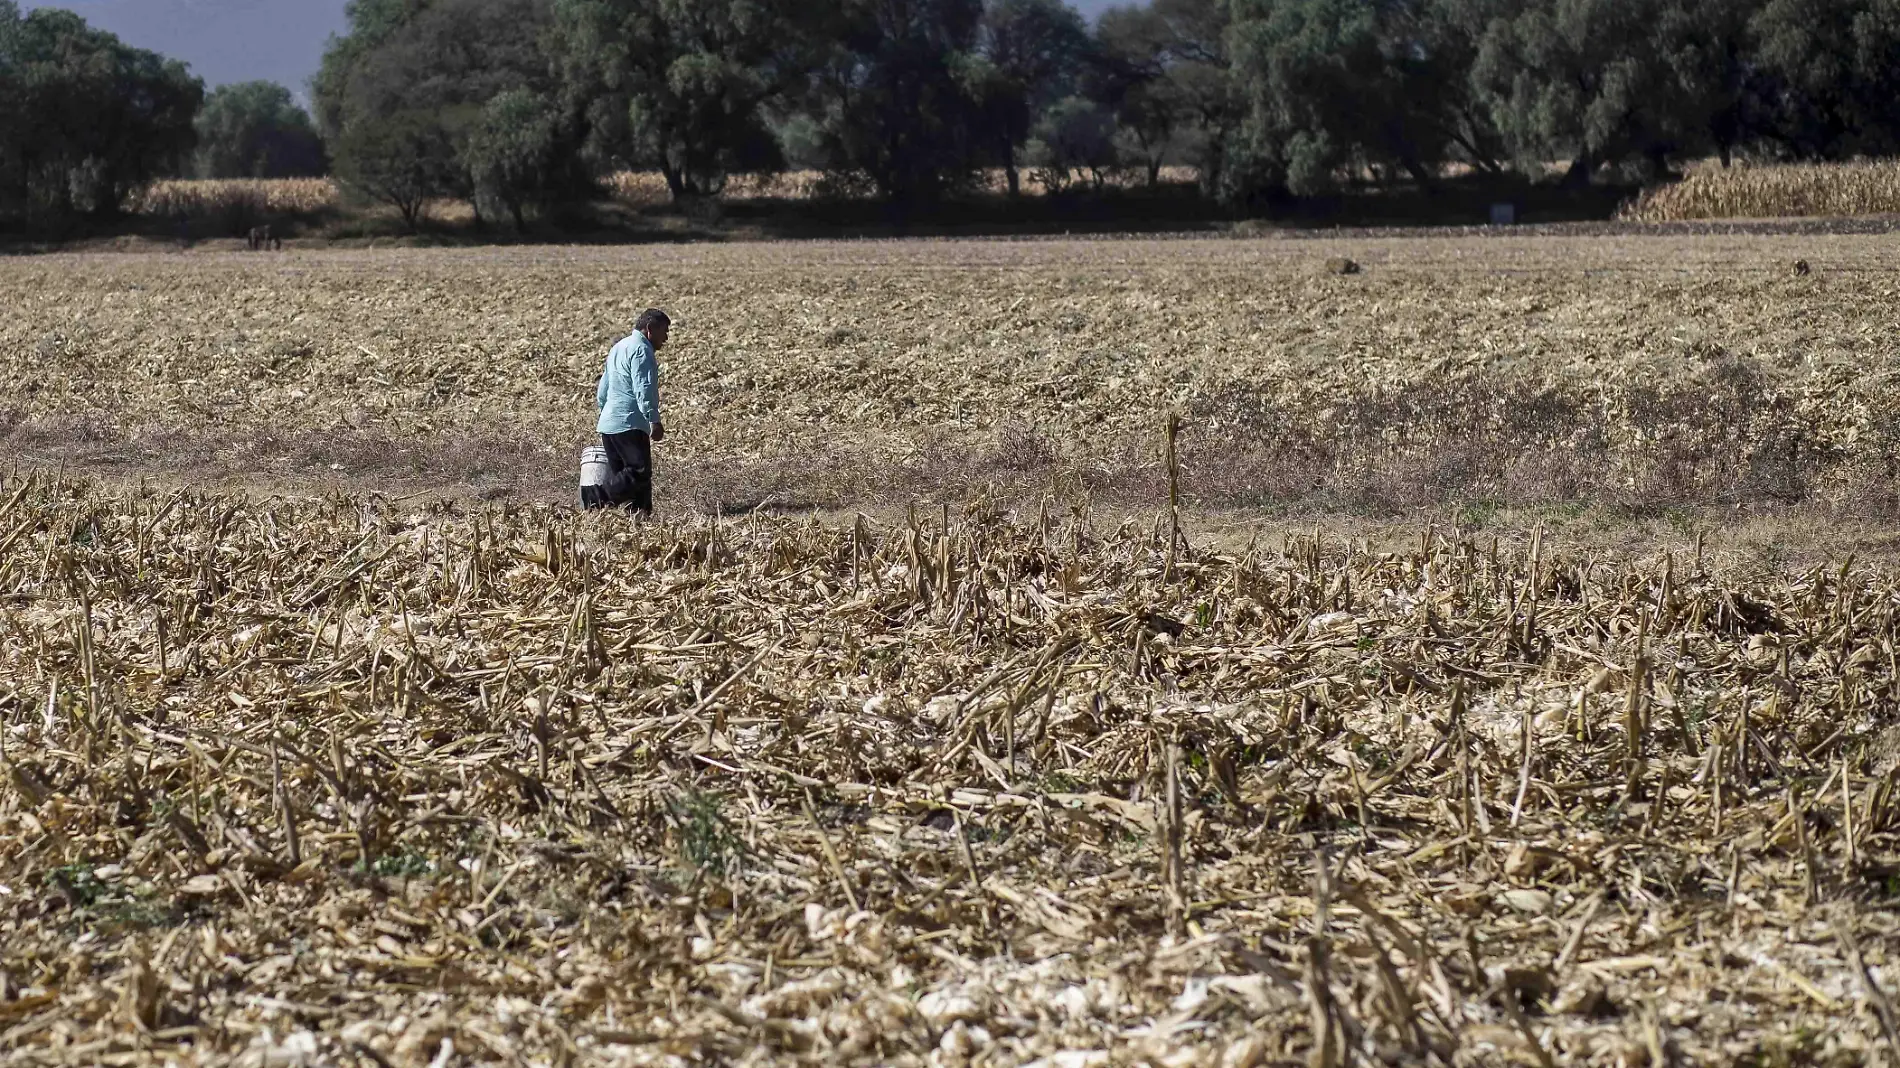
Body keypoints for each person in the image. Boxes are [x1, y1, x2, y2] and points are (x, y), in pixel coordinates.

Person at [592, 308, 669, 513]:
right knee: (639, 472)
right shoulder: (642, 350)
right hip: (629, 423)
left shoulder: (619, 347)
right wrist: (653, 419)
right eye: (664, 331)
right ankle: (596, 498)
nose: (666, 338)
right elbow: (643, 387)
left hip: (609, 424)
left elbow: (603, 388)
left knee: (631, 483)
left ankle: (640, 521)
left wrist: (606, 412)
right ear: (650, 329)